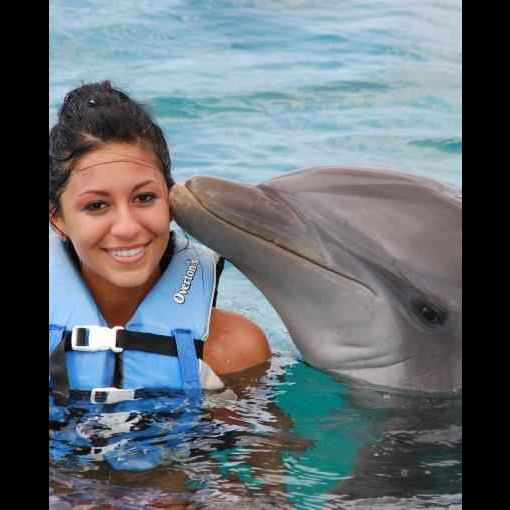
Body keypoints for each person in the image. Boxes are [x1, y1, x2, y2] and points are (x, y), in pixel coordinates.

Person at [49, 81, 271, 406]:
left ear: (170, 201)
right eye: (96, 205)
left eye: (144, 198)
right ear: (56, 218)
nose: (127, 228)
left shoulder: (234, 350)